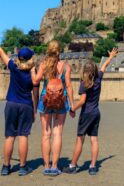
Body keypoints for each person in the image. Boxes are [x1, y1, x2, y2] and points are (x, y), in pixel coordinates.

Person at [0, 31, 36, 176]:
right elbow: (35, 91)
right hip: (26, 105)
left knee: (10, 136)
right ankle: (22, 167)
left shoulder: (13, 67)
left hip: (11, 104)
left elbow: (1, 52)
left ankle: (6, 167)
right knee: (23, 136)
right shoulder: (32, 73)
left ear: (19, 58)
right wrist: (34, 111)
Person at [63, 48, 118, 176]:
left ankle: (72, 166)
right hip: (96, 113)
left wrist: (72, 109)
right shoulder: (98, 78)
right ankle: (93, 166)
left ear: (85, 71)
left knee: (80, 140)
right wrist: (111, 57)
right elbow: (104, 66)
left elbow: (82, 101)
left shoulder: (84, 83)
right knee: (94, 139)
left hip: (86, 114)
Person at [31, 40, 74, 176]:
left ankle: (46, 166)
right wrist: (72, 104)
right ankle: (55, 167)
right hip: (61, 100)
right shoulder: (66, 66)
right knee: (57, 134)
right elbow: (68, 86)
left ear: (48, 50)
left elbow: (35, 81)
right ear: (59, 51)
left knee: (46, 134)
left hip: (45, 99)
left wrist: (32, 70)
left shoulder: (43, 64)